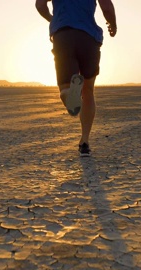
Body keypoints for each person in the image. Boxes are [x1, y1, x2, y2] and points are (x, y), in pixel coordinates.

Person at [35, 0, 117, 157]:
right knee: (88, 90)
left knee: (65, 86)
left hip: (63, 34)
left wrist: (53, 19)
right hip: (89, 37)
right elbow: (106, 7)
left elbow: (40, 5)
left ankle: (69, 93)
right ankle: (84, 142)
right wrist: (113, 25)